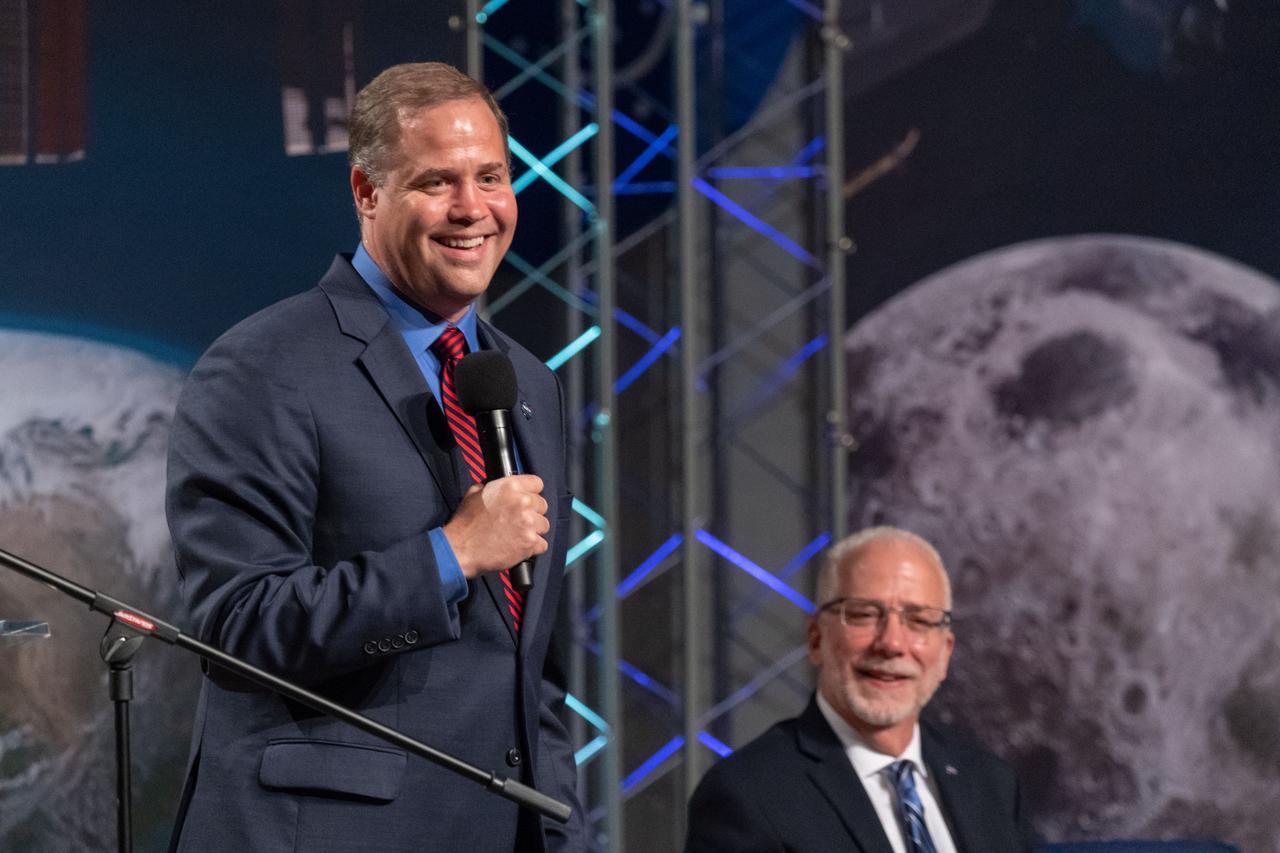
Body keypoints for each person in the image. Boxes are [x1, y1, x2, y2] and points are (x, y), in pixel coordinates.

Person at [165, 62, 583, 853]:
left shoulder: (528, 383)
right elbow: (236, 628)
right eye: (437, 182)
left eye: (491, 176)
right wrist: (451, 555)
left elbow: (533, 665)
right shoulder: (265, 365)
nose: (473, 209)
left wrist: (564, 828)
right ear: (366, 193)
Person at [685, 526, 1035, 853]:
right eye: (864, 615)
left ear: (945, 652)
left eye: (919, 620)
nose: (892, 643)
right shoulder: (748, 796)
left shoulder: (991, 783)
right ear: (816, 639)